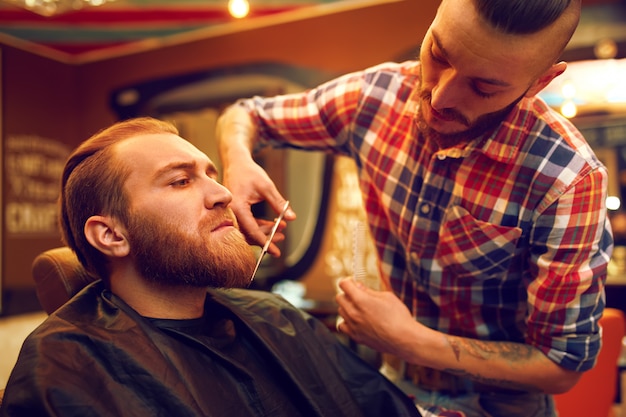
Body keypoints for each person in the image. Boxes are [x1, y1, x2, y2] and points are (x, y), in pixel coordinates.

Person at [214, 0, 613, 416]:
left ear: (539, 81)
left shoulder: (568, 180)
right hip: (390, 388)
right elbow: (245, 115)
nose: (439, 96)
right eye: (438, 55)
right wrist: (238, 158)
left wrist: (411, 341)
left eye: (484, 87)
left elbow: (560, 366)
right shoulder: (374, 97)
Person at [0, 117, 421, 417]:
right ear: (112, 235)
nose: (223, 194)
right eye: (181, 181)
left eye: (212, 175)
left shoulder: (277, 318)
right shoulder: (68, 367)